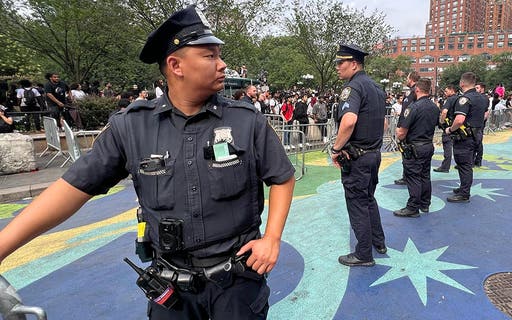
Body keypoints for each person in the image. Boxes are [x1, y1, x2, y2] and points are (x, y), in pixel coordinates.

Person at [0, 6, 295, 320]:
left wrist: (272, 238)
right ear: (175, 65)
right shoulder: (131, 127)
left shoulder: (246, 121)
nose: (222, 65)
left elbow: (282, 177)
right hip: (171, 291)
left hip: (236, 286)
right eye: (210, 56)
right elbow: (72, 188)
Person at [330, 44, 386, 267]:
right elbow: (382, 123)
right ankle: (378, 242)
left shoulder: (352, 88)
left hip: (357, 158)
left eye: (340, 62)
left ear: (353, 64)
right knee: (369, 199)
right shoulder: (376, 87)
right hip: (373, 155)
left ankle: (363, 254)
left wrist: (336, 149)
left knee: (358, 204)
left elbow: (349, 120)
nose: (337, 67)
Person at [393, 78, 440, 217]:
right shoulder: (434, 107)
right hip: (428, 145)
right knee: (425, 175)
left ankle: (413, 207)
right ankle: (425, 204)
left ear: (417, 89)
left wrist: (398, 134)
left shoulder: (412, 108)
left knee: (413, 177)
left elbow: (402, 133)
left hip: (415, 147)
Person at [442, 72, 485, 203]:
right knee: (467, 164)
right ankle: (463, 187)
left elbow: (459, 120)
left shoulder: (464, 99)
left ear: (462, 83)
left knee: (464, 165)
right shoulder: (482, 98)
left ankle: (464, 193)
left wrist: (450, 129)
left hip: (465, 137)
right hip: (477, 134)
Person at [394, 71, 420, 185]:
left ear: (411, 79)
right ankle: (406, 175)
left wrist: (403, 127)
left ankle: (408, 177)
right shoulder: (411, 92)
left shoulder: (415, 92)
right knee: (405, 153)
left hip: (409, 128)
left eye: (407, 77)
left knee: (408, 153)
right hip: (405, 125)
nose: (406, 80)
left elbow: (410, 112)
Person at [434, 84, 458, 173]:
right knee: (458, 146)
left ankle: (445, 167)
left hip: (449, 126)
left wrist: (441, 122)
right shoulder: (459, 98)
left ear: (452, 91)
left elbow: (444, 112)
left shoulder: (450, 99)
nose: (445, 92)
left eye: (446, 91)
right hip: (458, 125)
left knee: (447, 146)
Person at [473, 82, 489, 167]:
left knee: (477, 141)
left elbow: (485, 112)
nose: (476, 89)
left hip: (479, 123)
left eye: (477, 88)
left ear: (482, 88)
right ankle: (477, 160)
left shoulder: (483, 98)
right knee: (477, 141)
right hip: (479, 123)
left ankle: (476, 160)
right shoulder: (482, 97)